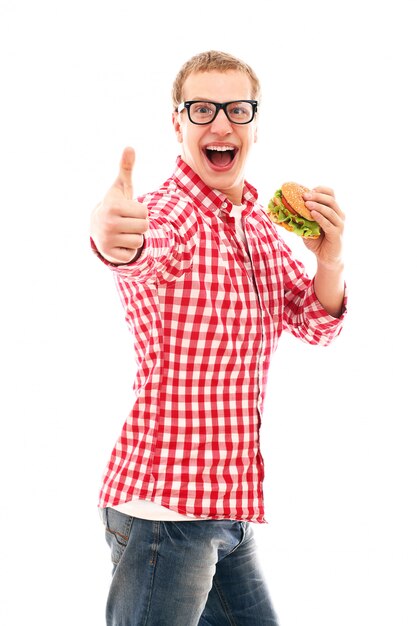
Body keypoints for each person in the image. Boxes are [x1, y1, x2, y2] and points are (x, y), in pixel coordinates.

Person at [90, 50, 347, 625]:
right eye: (202, 109)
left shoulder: (257, 223)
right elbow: (139, 249)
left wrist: (329, 260)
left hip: (227, 511)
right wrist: (112, 234)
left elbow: (312, 323)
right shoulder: (169, 215)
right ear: (177, 123)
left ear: (255, 124)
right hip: (165, 514)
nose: (221, 123)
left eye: (237, 109)